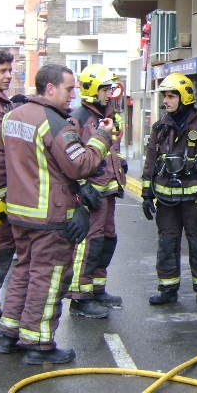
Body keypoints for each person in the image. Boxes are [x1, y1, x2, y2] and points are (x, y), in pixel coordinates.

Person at [0, 63, 113, 365]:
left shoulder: (10, 117)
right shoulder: (54, 123)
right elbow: (80, 165)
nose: (72, 95)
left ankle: (10, 333)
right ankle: (40, 342)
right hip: (50, 217)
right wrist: (101, 138)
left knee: (24, 271)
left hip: (19, 215)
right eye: (68, 88)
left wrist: (1, 201)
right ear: (50, 88)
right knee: (49, 277)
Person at [141, 73, 197, 308]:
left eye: (170, 96)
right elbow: (150, 162)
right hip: (166, 200)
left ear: (184, 97)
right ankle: (167, 289)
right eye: (164, 96)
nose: (166, 101)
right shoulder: (161, 127)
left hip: (195, 199)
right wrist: (147, 195)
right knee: (167, 243)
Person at [67, 64, 127, 319]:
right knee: (89, 243)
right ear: (92, 90)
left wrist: (119, 163)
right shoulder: (78, 118)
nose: (109, 93)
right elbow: (72, 158)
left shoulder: (107, 116)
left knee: (107, 240)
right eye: (104, 89)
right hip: (92, 193)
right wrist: (81, 188)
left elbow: (109, 150)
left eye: (110, 88)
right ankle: (80, 297)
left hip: (108, 190)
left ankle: (97, 288)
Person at [0, 47, 15, 338]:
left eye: (10, 70)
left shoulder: (3, 104)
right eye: (2, 71)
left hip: (2, 192)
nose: (9, 76)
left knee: (3, 248)